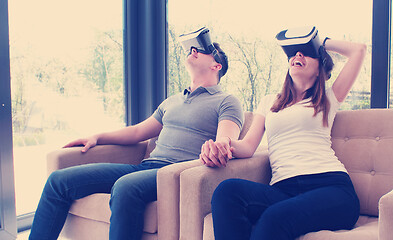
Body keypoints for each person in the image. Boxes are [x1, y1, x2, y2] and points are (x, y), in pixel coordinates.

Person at [29, 27, 244, 240]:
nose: (192, 51)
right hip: (145, 167)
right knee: (58, 181)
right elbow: (138, 131)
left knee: (125, 186)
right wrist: (97, 137)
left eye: (200, 51)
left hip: (175, 174)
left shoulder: (226, 101)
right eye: (191, 50)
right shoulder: (172, 102)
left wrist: (221, 146)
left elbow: (225, 141)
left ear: (217, 65)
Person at [199, 26, 367, 240]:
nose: (298, 54)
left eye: (306, 52)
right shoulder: (269, 102)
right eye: (295, 51)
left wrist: (317, 41)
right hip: (283, 190)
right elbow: (248, 146)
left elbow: (359, 50)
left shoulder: (328, 97)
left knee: (273, 218)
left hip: (331, 188)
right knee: (227, 192)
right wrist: (222, 143)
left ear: (320, 70)